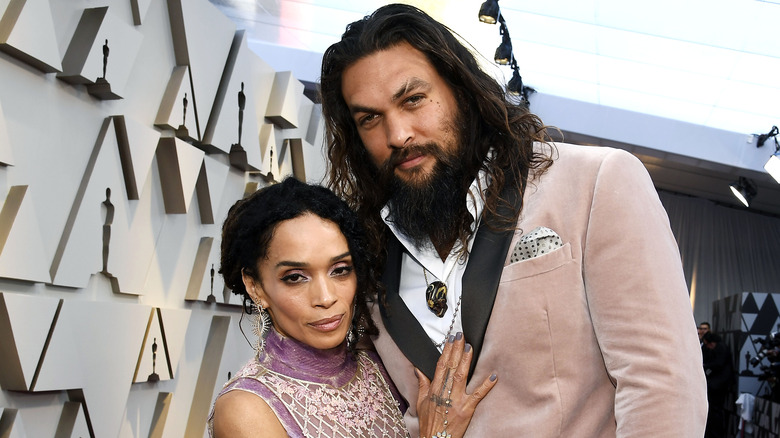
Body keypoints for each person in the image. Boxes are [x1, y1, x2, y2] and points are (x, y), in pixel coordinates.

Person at [319, 4, 707, 436]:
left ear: (461, 90)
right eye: (369, 118)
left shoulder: (595, 182)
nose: (397, 134)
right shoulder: (367, 250)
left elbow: (662, 385)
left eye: (413, 100)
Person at [208, 177, 496, 437]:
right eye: (295, 277)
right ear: (255, 286)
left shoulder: (380, 366)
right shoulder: (246, 410)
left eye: (340, 270)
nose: (326, 297)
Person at [702, 332, 735, 438]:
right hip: (717, 384)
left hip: (719, 385)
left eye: (708, 344)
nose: (708, 347)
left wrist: (706, 366)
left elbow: (719, 364)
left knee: (715, 411)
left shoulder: (721, 349)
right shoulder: (718, 348)